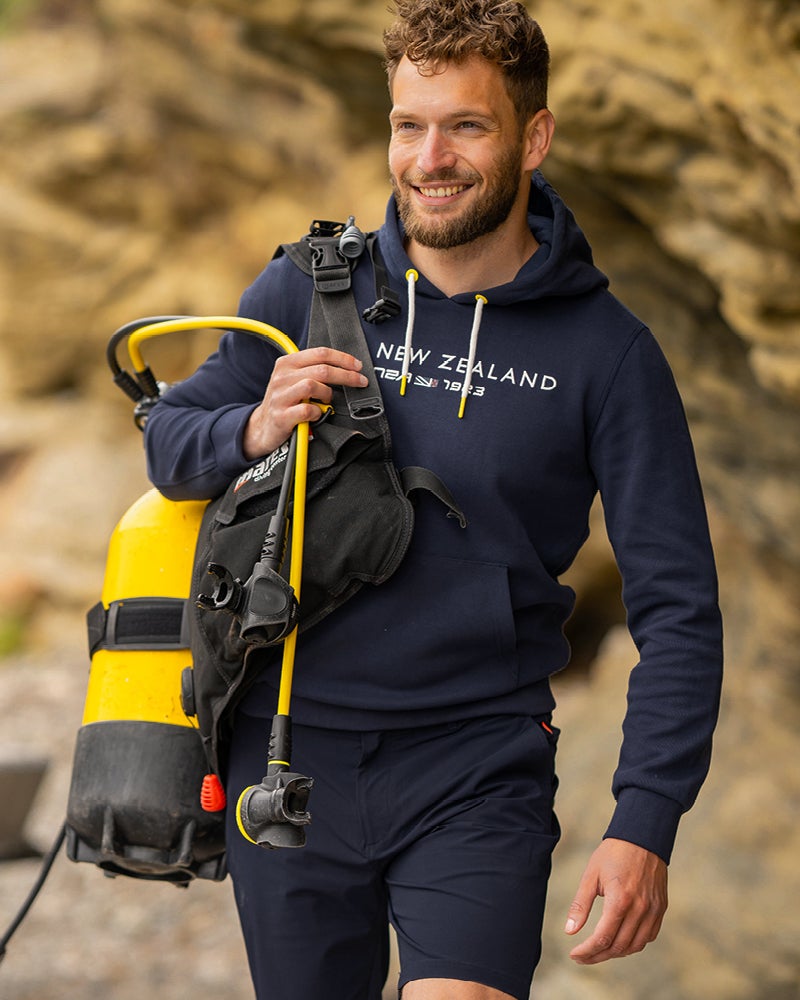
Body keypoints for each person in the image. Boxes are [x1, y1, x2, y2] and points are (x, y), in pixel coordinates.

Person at [144, 1, 723, 997]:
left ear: (531, 137)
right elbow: (168, 440)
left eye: (466, 125)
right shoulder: (304, 290)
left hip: (475, 767)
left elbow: (678, 608)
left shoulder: (606, 353)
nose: (430, 156)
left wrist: (643, 818)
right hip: (286, 757)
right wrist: (253, 426)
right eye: (408, 125)